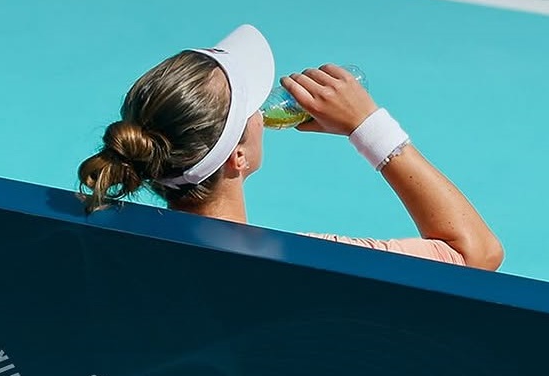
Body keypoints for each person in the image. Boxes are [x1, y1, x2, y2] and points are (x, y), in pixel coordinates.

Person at [77, 24, 503, 270]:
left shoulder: (99, 251)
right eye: (254, 108)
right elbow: (476, 254)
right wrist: (369, 127)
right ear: (237, 156)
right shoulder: (313, 261)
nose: (264, 112)